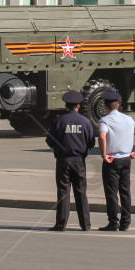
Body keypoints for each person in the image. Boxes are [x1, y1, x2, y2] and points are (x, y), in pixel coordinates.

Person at [45, 90, 95, 232]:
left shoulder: (58, 121)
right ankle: (85, 224)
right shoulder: (86, 121)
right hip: (79, 161)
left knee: (63, 192)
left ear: (66, 106)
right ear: (78, 106)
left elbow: (50, 141)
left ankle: (61, 224)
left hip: (63, 161)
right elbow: (91, 143)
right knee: (81, 193)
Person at [97, 92, 135, 232]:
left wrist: (103, 154)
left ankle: (113, 222)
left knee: (111, 192)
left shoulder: (104, 120)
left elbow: (102, 136)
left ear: (105, 107)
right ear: (118, 105)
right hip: (126, 159)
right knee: (125, 191)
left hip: (112, 160)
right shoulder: (128, 119)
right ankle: (126, 222)